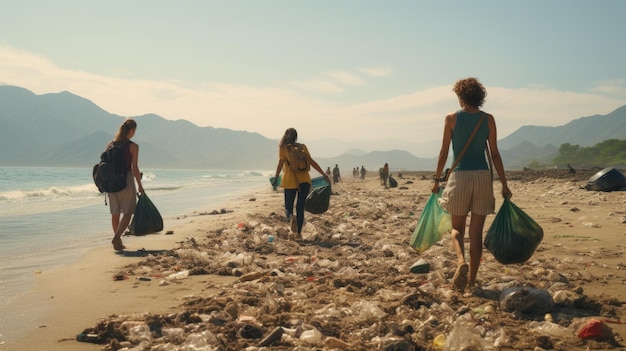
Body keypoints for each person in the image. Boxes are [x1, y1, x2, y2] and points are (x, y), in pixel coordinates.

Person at [432, 77, 511, 293]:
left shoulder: (450, 119)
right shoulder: (488, 119)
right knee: (476, 233)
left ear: (461, 98)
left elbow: (443, 153)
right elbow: (494, 154)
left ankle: (460, 262)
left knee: (456, 229)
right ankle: (472, 282)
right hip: (482, 177)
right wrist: (504, 184)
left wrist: (437, 180)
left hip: (460, 176)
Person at [272, 128, 330, 237]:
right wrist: (323, 174)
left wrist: (275, 177)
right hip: (304, 181)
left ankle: (291, 218)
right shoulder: (302, 147)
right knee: (300, 206)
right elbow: (311, 162)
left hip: (290, 181)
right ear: (296, 137)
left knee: (288, 207)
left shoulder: (283, 148)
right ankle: (298, 233)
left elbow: (280, 164)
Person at [106, 118, 144, 251]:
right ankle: (117, 238)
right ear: (132, 131)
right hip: (126, 181)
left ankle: (118, 241)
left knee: (115, 213)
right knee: (128, 213)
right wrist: (140, 185)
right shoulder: (133, 146)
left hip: (110, 183)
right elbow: (134, 168)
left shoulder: (110, 144)